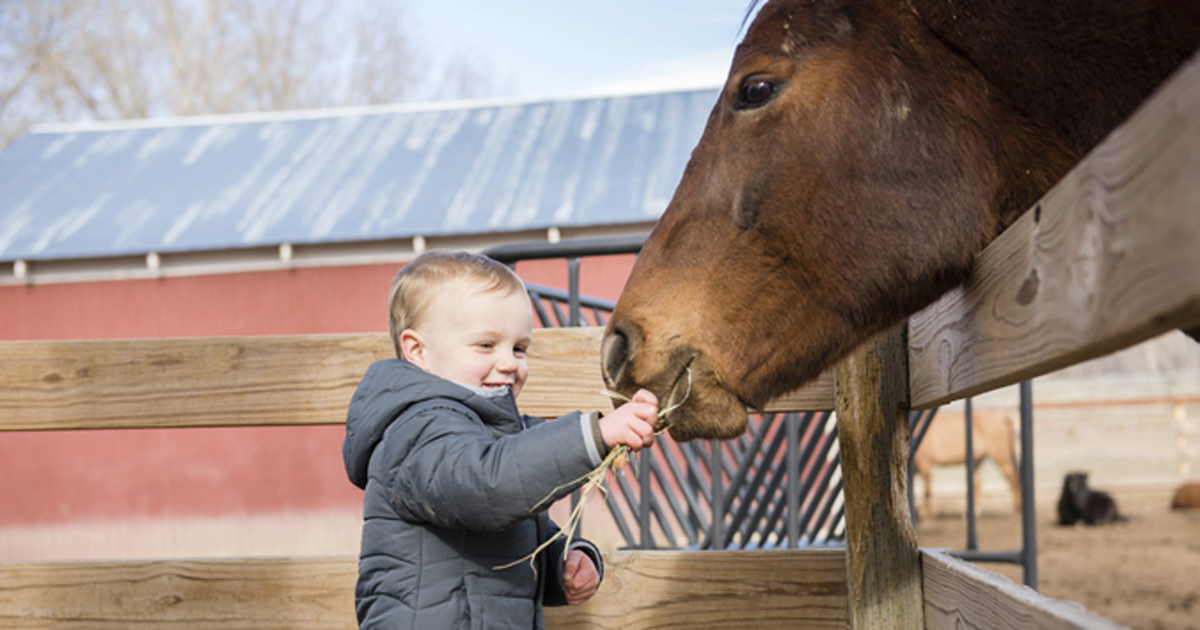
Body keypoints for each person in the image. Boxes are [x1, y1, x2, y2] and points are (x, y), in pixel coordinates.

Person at [343, 249, 659, 629]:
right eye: (486, 345)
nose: (509, 362)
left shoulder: (499, 436)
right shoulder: (415, 430)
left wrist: (564, 561)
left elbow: (517, 528)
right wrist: (595, 435)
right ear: (418, 351)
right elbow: (486, 486)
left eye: (519, 348)